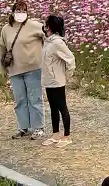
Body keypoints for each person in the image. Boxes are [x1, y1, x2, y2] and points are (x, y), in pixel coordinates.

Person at [0, 0, 46, 140]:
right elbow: (2, 48)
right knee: (20, 100)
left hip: (33, 68)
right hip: (14, 70)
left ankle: (38, 128)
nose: (21, 14)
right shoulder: (6, 29)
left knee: (35, 99)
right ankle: (23, 127)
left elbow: (49, 37)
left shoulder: (35, 25)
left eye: (23, 11)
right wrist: (2, 69)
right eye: (18, 11)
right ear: (13, 12)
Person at [41, 15, 76, 147]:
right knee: (53, 108)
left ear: (49, 26)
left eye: (46, 24)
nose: (44, 27)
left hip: (58, 81)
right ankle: (55, 134)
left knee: (62, 107)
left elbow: (70, 59)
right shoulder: (47, 41)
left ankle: (67, 136)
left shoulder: (58, 43)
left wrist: (67, 75)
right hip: (48, 80)